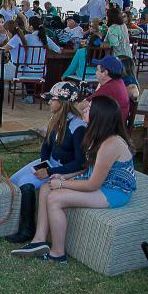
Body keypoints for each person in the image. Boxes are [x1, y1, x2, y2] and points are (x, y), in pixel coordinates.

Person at [11, 95, 136, 263]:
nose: (84, 109)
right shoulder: (96, 134)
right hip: (97, 181)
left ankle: (57, 254)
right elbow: (87, 168)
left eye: (89, 108)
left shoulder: (110, 144)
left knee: (55, 198)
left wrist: (62, 183)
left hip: (113, 191)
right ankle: (38, 240)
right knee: (47, 187)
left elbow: (93, 185)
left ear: (99, 115)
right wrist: (64, 176)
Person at [7, 82, 86, 243]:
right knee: (13, 181)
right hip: (50, 164)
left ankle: (27, 229)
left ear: (63, 102)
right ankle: (13, 220)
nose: (49, 102)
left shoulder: (78, 127)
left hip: (64, 170)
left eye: (52, 99)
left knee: (25, 184)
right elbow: (46, 146)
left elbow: (80, 163)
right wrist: (43, 164)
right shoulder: (56, 118)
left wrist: (49, 172)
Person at [80, 55, 130, 123]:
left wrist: (70, 108)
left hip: (109, 126)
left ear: (105, 73)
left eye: (97, 70)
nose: (96, 73)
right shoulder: (118, 82)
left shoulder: (109, 88)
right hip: (114, 122)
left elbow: (83, 105)